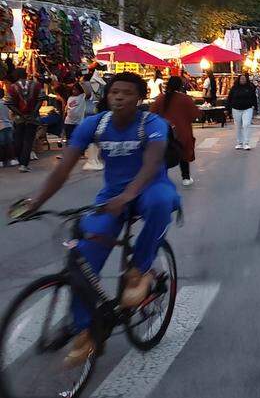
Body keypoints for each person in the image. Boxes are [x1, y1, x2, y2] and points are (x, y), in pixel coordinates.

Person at [10, 72, 180, 366]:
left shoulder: (151, 124)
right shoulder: (94, 125)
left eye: (127, 93)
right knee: (84, 257)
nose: (119, 97)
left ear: (139, 98)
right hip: (111, 197)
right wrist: (35, 202)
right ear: (106, 95)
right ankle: (86, 327)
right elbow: (63, 169)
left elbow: (152, 164)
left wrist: (128, 197)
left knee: (161, 203)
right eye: (114, 92)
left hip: (149, 187)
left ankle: (138, 271)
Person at [150, 75, 198, 187]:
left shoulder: (160, 98)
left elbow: (152, 114)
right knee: (183, 155)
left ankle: (163, 178)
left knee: (164, 155)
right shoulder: (185, 99)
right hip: (182, 131)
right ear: (180, 85)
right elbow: (195, 115)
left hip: (163, 131)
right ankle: (185, 177)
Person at [5, 68, 43, 173]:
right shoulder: (36, 85)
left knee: (18, 140)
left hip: (19, 119)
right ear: (25, 75)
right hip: (33, 118)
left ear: (16, 75)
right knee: (28, 141)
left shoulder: (12, 87)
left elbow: (9, 103)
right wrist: (33, 113)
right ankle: (24, 164)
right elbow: (41, 99)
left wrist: (20, 114)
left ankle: (21, 160)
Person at [227, 72, 257, 151]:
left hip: (248, 108)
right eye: (241, 79)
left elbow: (254, 97)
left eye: (244, 79)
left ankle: (246, 143)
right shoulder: (234, 88)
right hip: (236, 109)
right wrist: (228, 108)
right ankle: (240, 142)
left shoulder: (250, 87)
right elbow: (229, 98)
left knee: (246, 124)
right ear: (239, 80)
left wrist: (254, 107)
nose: (243, 80)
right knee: (238, 126)